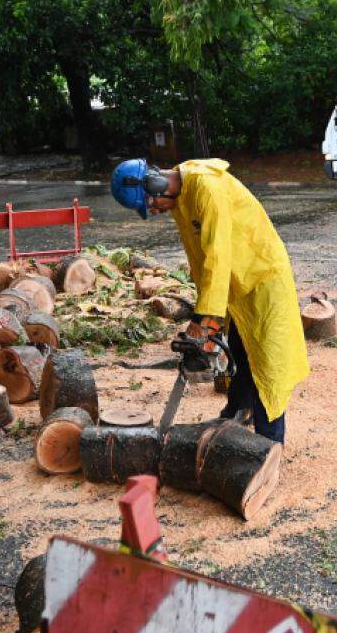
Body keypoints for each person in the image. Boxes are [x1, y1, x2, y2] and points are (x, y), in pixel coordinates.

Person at [110, 158, 308, 444]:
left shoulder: (207, 189)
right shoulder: (181, 199)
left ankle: (269, 443)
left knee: (267, 363)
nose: (154, 211)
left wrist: (206, 319)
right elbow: (201, 260)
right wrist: (205, 315)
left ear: (158, 185)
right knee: (240, 354)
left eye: (151, 205)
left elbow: (218, 255)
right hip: (234, 282)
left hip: (262, 277)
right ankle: (236, 414)